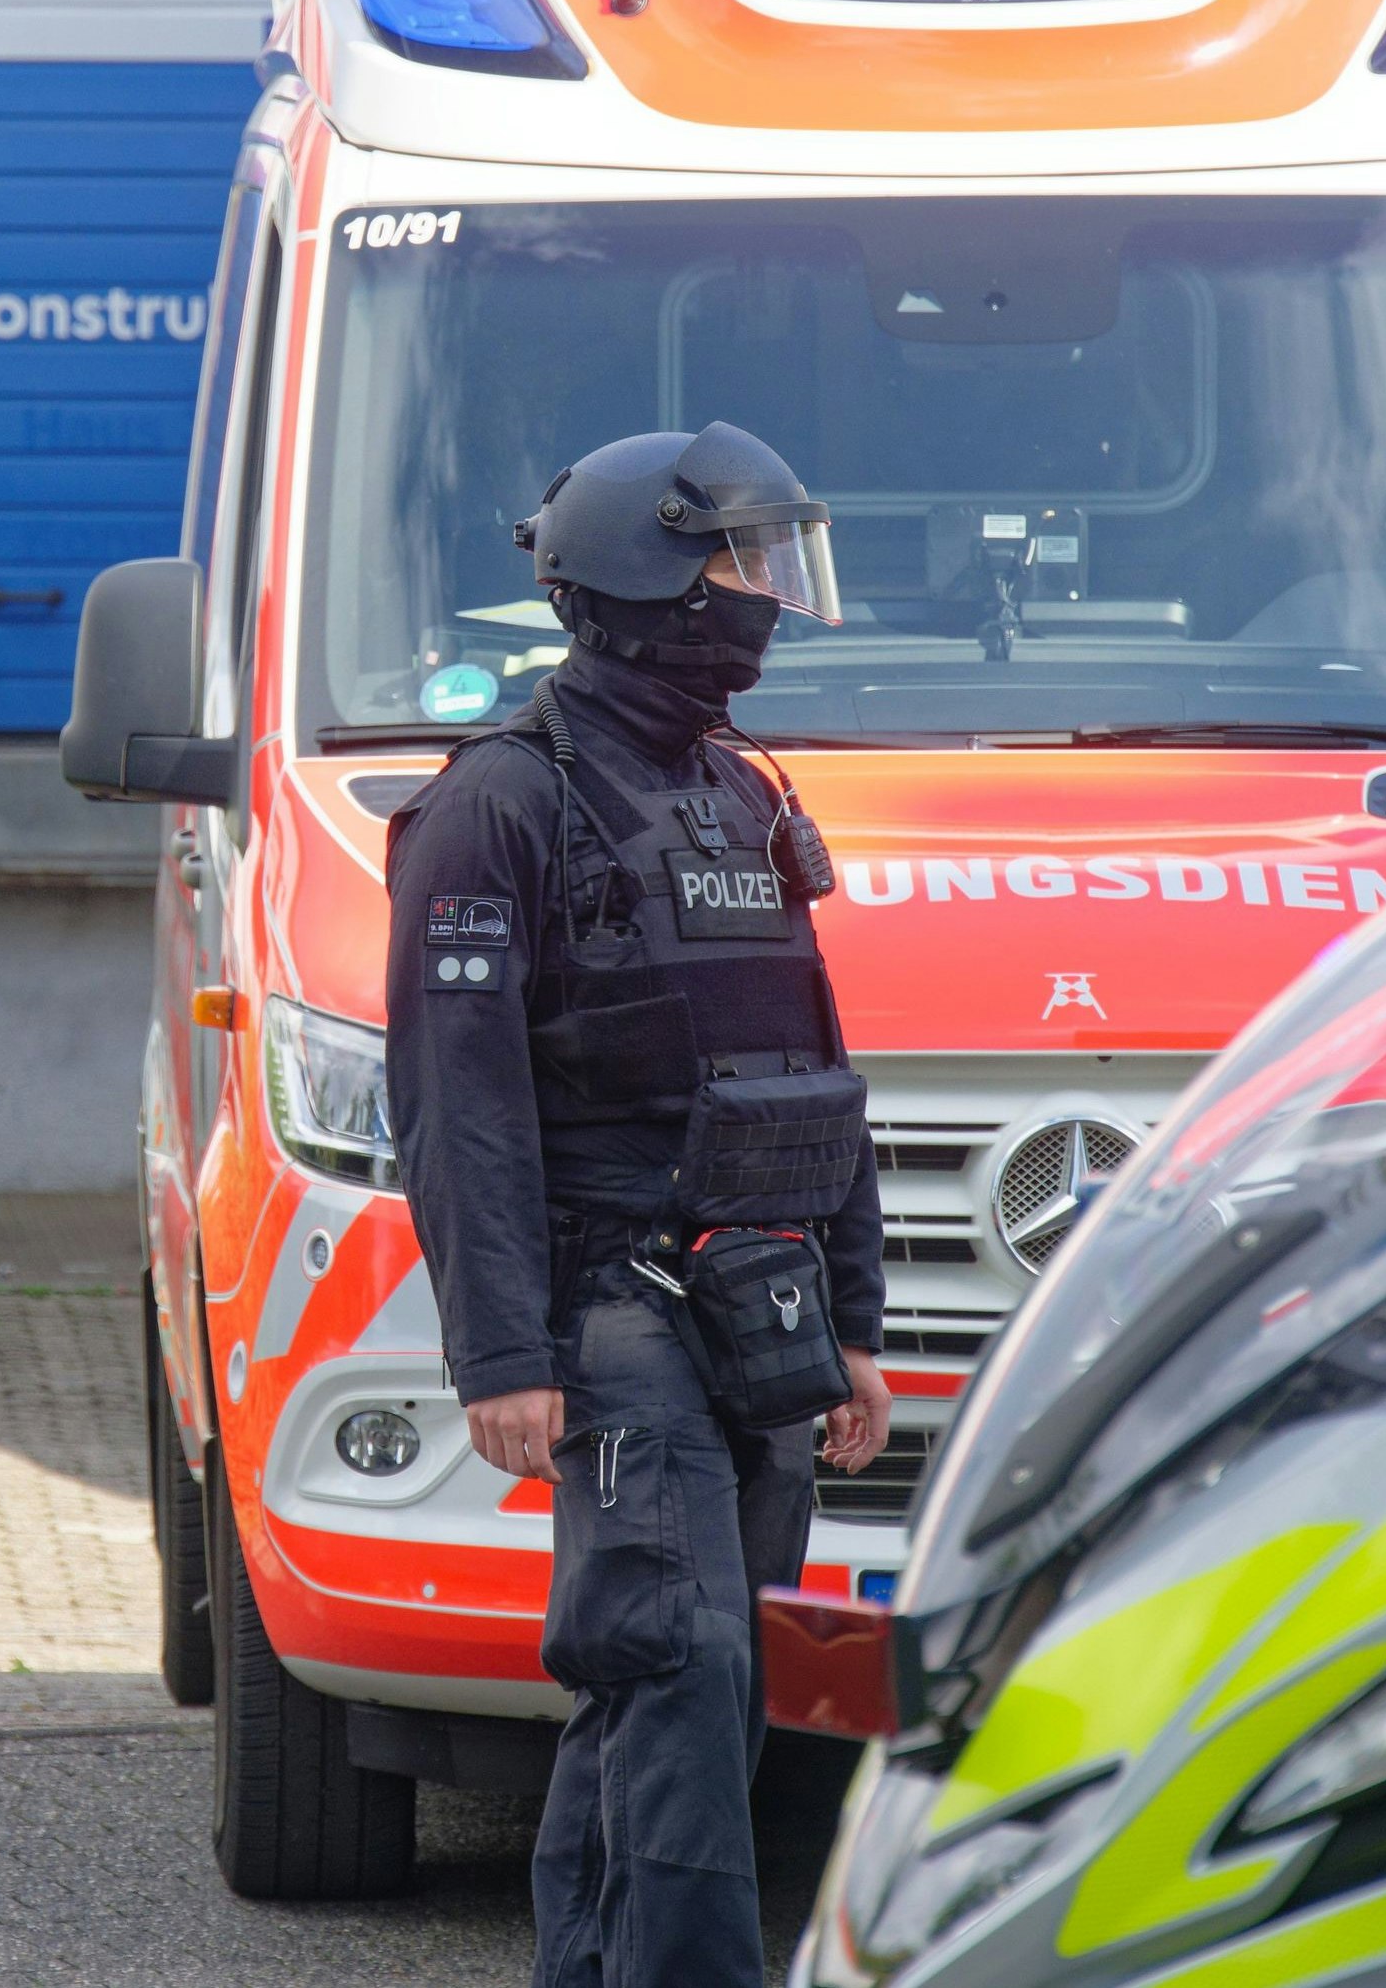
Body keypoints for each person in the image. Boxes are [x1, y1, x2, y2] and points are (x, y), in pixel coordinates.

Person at [383, 422, 894, 1988]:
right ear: (650, 576)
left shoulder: (739, 793)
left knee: (673, 1690)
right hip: (613, 1309)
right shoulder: (496, 806)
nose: (766, 595)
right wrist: (500, 1354)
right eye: (742, 559)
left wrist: (855, 1319)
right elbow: (457, 1106)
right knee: (680, 1659)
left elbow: (818, 1069)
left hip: (763, 1313)